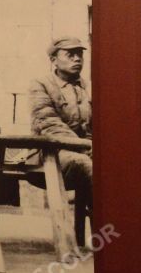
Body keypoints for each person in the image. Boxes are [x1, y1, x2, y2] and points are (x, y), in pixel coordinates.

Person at [27, 37, 93, 223]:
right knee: (90, 166)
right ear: (54, 60)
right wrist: (86, 146)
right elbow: (49, 124)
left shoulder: (89, 87)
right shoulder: (40, 85)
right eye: (70, 55)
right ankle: (110, 227)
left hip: (86, 151)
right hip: (49, 154)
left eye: (79, 54)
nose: (77, 59)